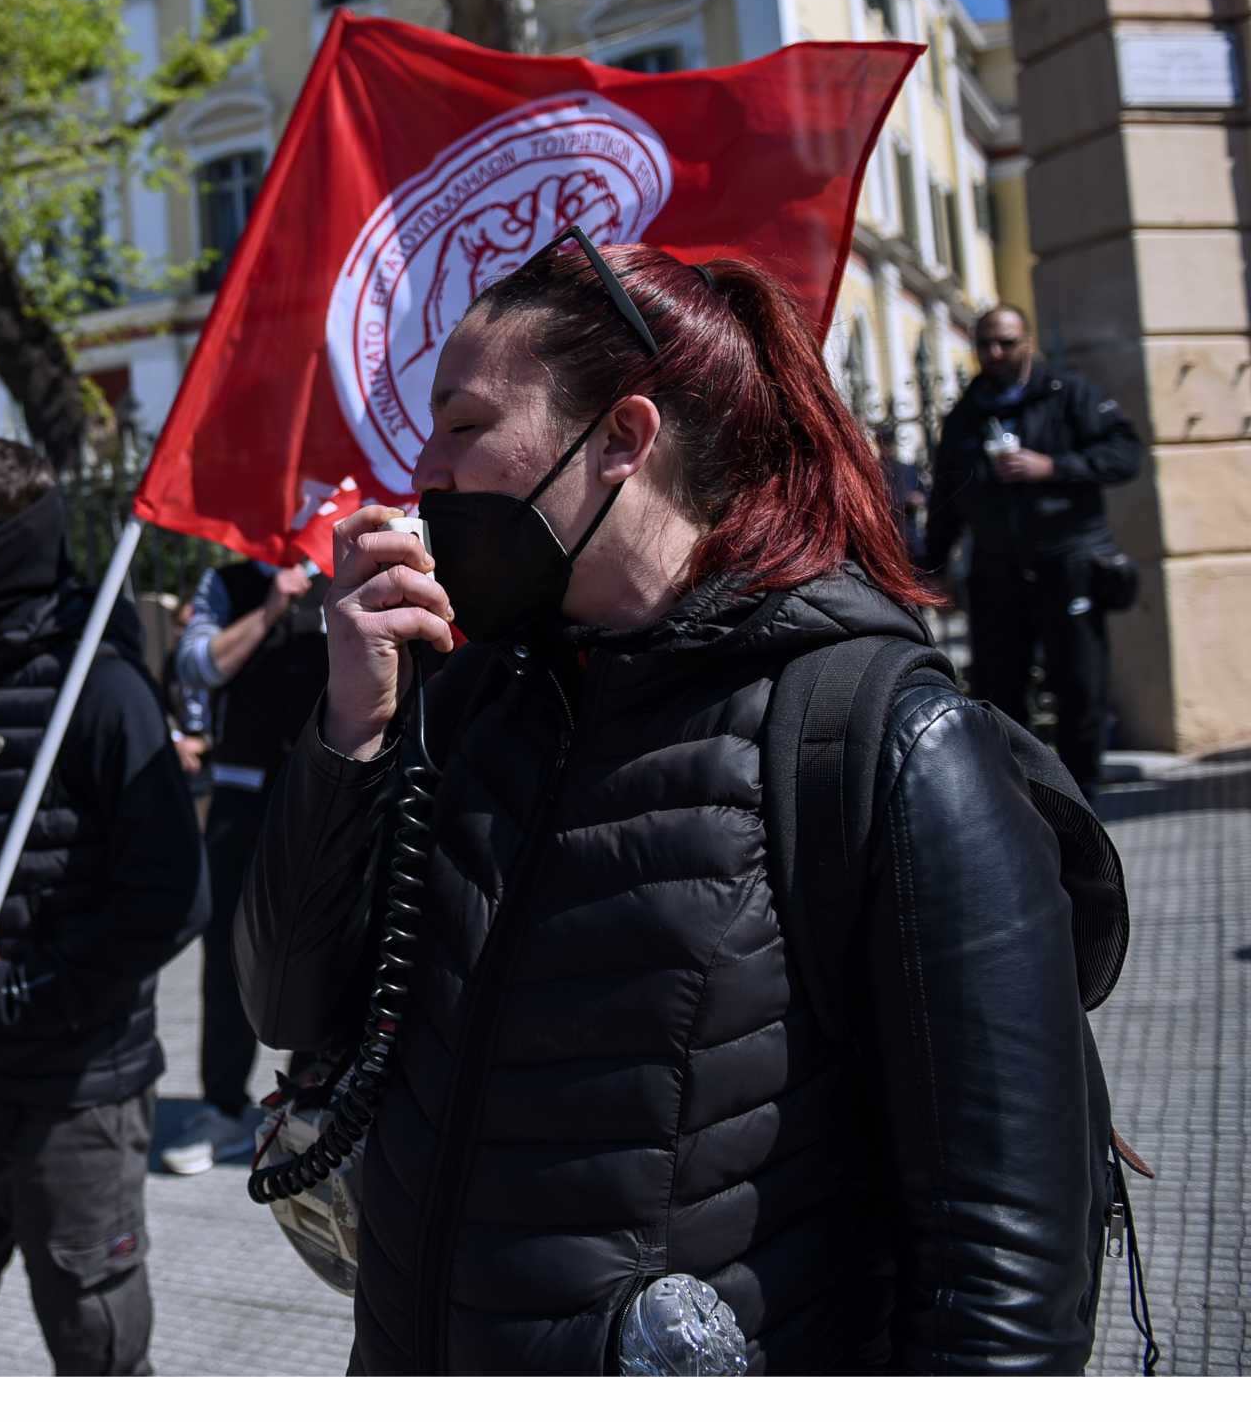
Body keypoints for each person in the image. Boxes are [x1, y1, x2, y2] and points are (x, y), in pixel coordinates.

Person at [238, 241, 1114, 1373]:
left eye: (463, 425)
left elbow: (1004, 1280)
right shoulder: (473, 709)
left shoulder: (884, 742)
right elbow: (287, 994)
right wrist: (352, 728)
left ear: (621, 439)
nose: (426, 471)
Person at [0, 438, 208, 1376]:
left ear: (10, 537)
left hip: (75, 1099)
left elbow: (174, 898)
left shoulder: (103, 691)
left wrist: (20, 991)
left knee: (98, 1353)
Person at [926, 305, 1142, 797]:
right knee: (999, 686)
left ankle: (1085, 791)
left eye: (1005, 342)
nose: (994, 354)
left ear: (1028, 342)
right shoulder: (966, 415)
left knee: (1080, 681)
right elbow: (946, 498)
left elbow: (1125, 454)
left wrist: (1053, 467)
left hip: (1067, 560)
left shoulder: (1069, 395)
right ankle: (1022, 795)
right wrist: (935, 565)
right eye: (985, 344)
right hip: (997, 567)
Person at [163, 556, 329, 1176]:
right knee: (228, 947)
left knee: (326, 941)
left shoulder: (346, 555)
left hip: (329, 786)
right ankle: (225, 1104)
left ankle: (315, 1099)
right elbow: (197, 665)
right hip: (241, 793)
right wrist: (269, 608)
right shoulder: (228, 577)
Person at [875, 422, 928, 568]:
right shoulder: (874, 472)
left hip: (909, 534)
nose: (888, 447)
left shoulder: (907, 469)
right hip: (886, 536)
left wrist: (917, 498)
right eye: (884, 443)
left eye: (889, 442)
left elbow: (925, 496)